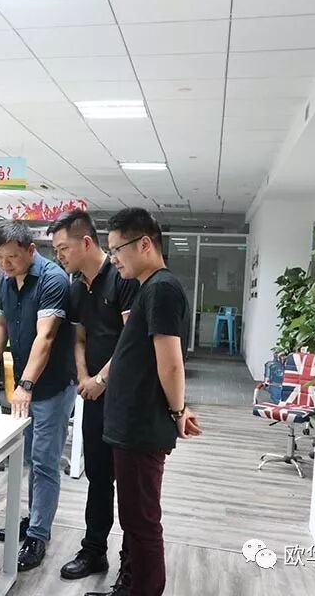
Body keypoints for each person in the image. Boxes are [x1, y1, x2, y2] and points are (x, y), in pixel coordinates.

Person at [91, 208, 202, 596]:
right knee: (135, 519)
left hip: (141, 428)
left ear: (144, 244)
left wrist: (177, 410)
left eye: (117, 249)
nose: (113, 259)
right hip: (132, 425)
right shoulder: (150, 288)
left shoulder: (162, 289)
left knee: (141, 522)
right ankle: (133, 585)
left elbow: (170, 363)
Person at [0, 220, 76, 572]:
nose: (5, 264)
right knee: (29, 456)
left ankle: (38, 535)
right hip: (24, 386)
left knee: (45, 460)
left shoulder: (53, 280)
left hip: (52, 385)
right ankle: (34, 520)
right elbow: (1, 324)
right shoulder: (6, 279)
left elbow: (46, 338)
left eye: (12, 257)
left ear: (31, 250)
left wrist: (26, 385)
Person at [47, 211, 139, 583]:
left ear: (86, 242)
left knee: (130, 485)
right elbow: (80, 338)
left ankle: (131, 564)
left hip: (127, 398)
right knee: (98, 478)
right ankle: (94, 551)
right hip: (95, 396)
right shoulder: (75, 287)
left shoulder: (122, 278)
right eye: (56, 250)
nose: (59, 256)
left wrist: (101, 378)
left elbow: (132, 340)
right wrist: (85, 377)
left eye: (63, 248)